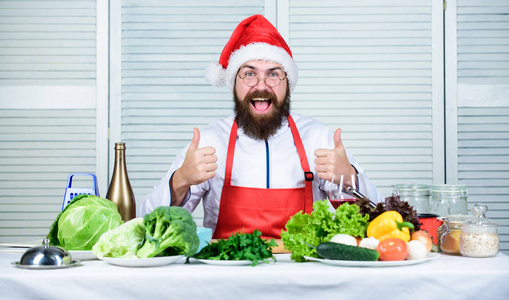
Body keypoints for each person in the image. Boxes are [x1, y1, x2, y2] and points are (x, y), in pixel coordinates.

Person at [140, 14, 382, 239]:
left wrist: (351, 179)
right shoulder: (209, 141)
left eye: (274, 74)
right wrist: (180, 179)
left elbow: (381, 219)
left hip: (304, 271)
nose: (262, 85)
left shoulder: (318, 137)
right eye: (249, 74)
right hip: (227, 272)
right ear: (234, 83)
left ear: (288, 83)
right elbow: (146, 222)